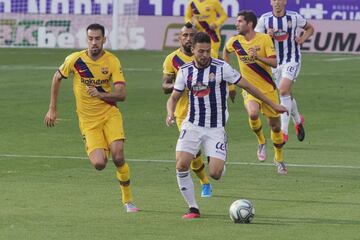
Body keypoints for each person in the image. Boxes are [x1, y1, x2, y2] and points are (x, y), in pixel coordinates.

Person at [166, 32, 287, 218]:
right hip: (192, 125)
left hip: (215, 128)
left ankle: (218, 160)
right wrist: (170, 113)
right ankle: (193, 208)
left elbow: (248, 86)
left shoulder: (222, 68)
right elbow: (173, 97)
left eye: (207, 51)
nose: (205, 55)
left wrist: (273, 104)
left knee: (215, 173)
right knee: (181, 165)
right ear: (193, 50)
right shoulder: (185, 71)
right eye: (201, 51)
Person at [44, 23, 139, 213]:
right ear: (86, 39)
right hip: (88, 121)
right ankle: (100, 146)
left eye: (97, 38)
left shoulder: (112, 61)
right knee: (99, 164)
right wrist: (52, 109)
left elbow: (121, 95)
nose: (94, 42)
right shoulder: (75, 60)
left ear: (104, 39)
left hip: (110, 114)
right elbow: (56, 78)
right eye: (90, 38)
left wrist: (99, 94)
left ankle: (128, 201)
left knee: (119, 156)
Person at [223, 10, 287, 174]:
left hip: (268, 88)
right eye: (236, 21)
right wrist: (228, 72)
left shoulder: (264, 39)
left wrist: (257, 57)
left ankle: (279, 159)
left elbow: (274, 62)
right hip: (249, 89)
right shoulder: (235, 41)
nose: (236, 24)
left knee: (275, 127)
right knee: (252, 113)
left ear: (250, 24)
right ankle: (261, 141)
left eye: (239, 21)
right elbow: (225, 51)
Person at [162, 23, 218, 198]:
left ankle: (215, 160)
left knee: (208, 154)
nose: (187, 38)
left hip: (208, 111)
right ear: (179, 37)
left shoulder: (208, 55)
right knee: (193, 154)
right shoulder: (172, 59)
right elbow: (165, 86)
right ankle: (205, 182)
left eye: (191, 35)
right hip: (184, 113)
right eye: (184, 35)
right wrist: (180, 84)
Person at [255, 0, 314, 144]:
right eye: (274, 0)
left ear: (285, 2)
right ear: (271, 2)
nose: (277, 3)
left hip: (291, 59)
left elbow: (310, 28)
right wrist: (265, 36)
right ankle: (298, 120)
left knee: (282, 91)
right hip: (273, 63)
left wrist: (302, 39)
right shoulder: (265, 19)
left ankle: (283, 132)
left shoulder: (294, 17)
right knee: (286, 93)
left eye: (279, 0)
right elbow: (256, 41)